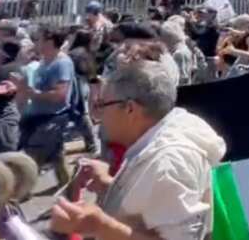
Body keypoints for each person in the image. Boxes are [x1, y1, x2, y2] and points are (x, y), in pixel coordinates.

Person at [50, 60, 226, 239]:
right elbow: (154, 203)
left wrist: (101, 226)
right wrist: (109, 186)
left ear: (130, 109)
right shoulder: (155, 144)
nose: (99, 114)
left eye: (102, 104)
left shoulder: (169, 163)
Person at [15, 25, 77, 180]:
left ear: (49, 41)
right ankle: (70, 188)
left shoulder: (62, 63)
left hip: (51, 118)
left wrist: (33, 93)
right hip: (37, 115)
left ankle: (18, 195)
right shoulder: (44, 60)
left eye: (39, 39)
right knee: (57, 157)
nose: (35, 42)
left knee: (31, 159)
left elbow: (60, 95)